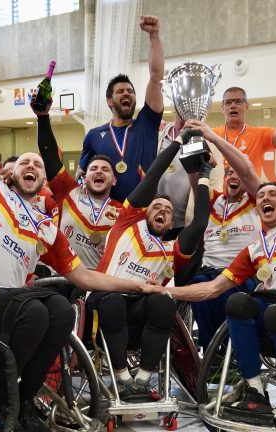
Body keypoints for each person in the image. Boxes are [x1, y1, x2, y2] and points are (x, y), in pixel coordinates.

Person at [0, 18, 152, 432]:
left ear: (44, 180)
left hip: (11, 304)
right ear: (11, 173)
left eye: (38, 163)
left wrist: (137, 286)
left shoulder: (45, 225)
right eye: (25, 162)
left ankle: (22, 402)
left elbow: (85, 276)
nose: (33, 165)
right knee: (34, 308)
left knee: (61, 310)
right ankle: (2, 405)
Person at [149, 102, 276, 424]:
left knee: (274, 312)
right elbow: (212, 289)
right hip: (274, 310)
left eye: (273, 195)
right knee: (235, 301)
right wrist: (165, 292)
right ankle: (254, 388)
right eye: (261, 196)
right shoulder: (254, 250)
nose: (264, 198)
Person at [89, 121, 212, 399]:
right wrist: (178, 141)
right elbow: (153, 176)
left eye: (168, 211)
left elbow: (200, 222)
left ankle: (142, 379)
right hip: (104, 302)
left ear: (170, 223)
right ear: (145, 212)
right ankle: (122, 378)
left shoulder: (173, 249)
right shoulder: (127, 222)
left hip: (140, 313)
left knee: (164, 302)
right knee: (113, 301)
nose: (162, 211)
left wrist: (204, 175)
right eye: (157, 206)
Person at [187, 116, 262, 350]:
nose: (234, 177)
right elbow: (194, 178)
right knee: (197, 284)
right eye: (229, 173)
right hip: (210, 271)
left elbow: (246, 168)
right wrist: (194, 146)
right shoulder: (214, 199)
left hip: (243, 274)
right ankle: (213, 349)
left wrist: (212, 136)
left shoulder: (256, 199)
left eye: (238, 175)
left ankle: (229, 348)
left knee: (224, 294)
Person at [78, 15, 164, 203]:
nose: (127, 94)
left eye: (130, 91)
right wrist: (82, 190)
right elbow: (81, 173)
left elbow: (156, 77)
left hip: (143, 210)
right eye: (120, 91)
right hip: (107, 211)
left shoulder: (147, 123)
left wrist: (154, 36)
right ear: (109, 101)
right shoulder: (93, 135)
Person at [31, 97, 122, 270]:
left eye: (105, 169)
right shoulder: (68, 191)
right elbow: (50, 155)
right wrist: (42, 117)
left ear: (114, 180)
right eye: (93, 168)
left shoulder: (122, 212)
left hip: (96, 280)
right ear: (85, 177)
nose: (99, 171)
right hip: (61, 275)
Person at [210, 79, 276, 185]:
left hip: (249, 194)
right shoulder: (211, 135)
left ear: (246, 106)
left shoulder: (259, 134)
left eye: (238, 101)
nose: (233, 106)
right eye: (228, 102)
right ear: (222, 107)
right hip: (215, 194)